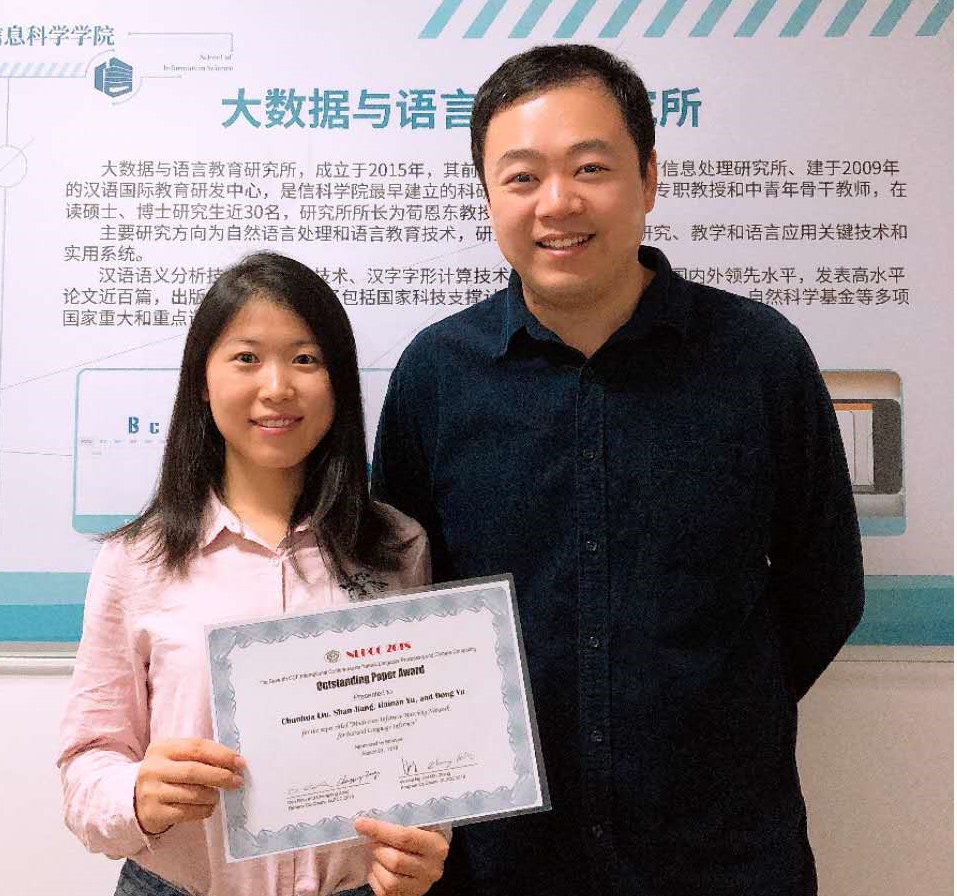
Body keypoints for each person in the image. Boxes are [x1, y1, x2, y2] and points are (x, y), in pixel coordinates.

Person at [371, 44, 864, 896]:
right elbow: (396, 601)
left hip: (724, 857)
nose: (556, 202)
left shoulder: (759, 358)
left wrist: (716, 710)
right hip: (502, 862)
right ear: (488, 196)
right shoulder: (437, 375)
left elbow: (825, 586)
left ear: (649, 177)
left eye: (590, 167)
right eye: (522, 177)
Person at [59, 252, 449, 896]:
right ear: (202, 381)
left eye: (305, 359)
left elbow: (424, 745)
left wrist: (421, 847)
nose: (276, 387)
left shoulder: (397, 547)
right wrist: (135, 794)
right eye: (246, 358)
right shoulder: (137, 559)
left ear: (338, 382)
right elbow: (86, 762)